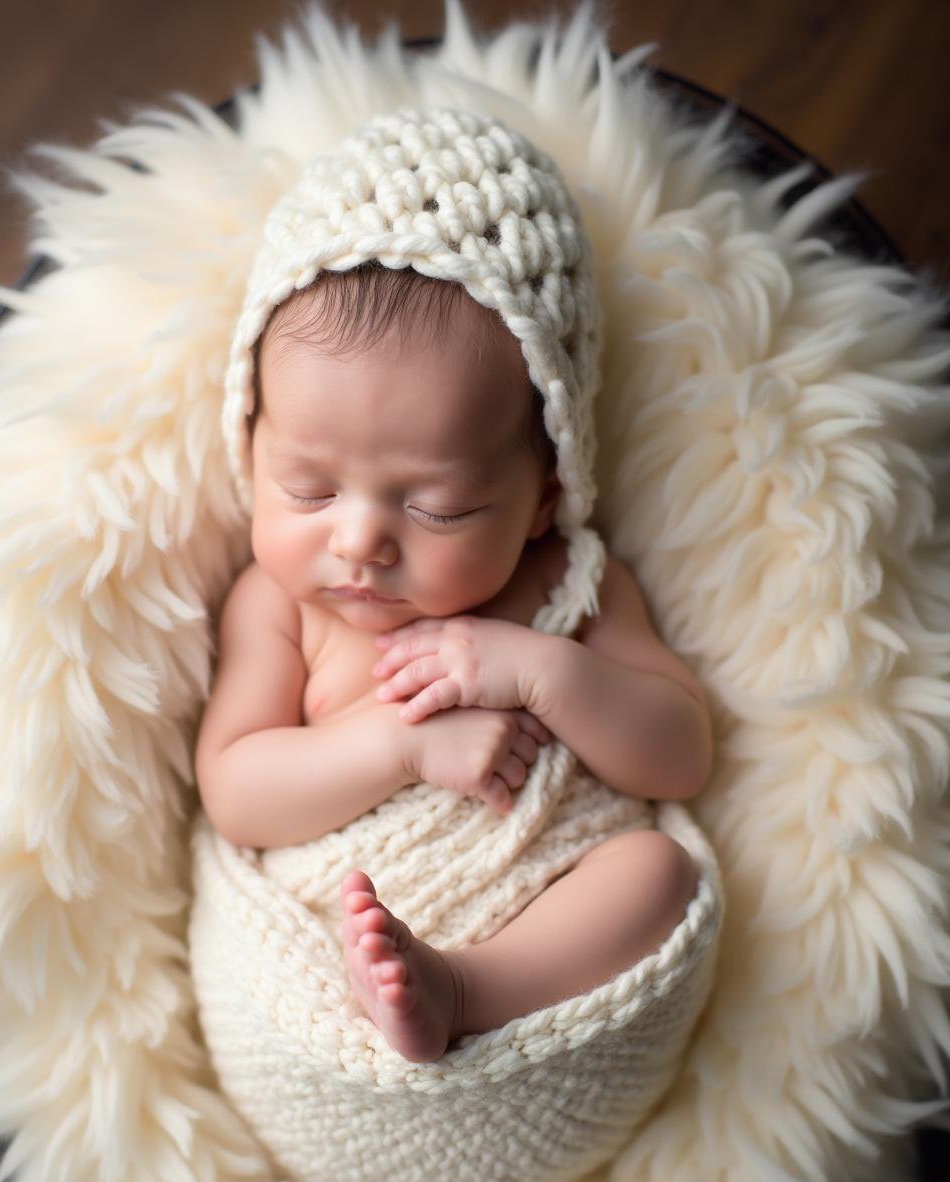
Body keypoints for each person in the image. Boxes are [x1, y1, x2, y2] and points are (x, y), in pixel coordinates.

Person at [196, 109, 714, 1065]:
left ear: (541, 495)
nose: (357, 542)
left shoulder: (569, 582)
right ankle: (412, 991)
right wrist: (398, 744)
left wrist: (546, 673)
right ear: (251, 443)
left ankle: (470, 989)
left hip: (553, 942)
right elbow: (237, 791)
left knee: (657, 874)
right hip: (336, 947)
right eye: (306, 488)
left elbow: (679, 756)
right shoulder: (278, 607)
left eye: (435, 509)